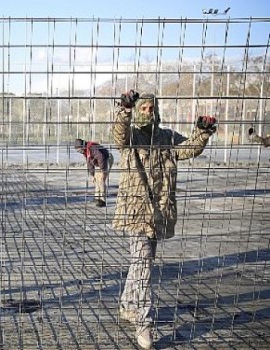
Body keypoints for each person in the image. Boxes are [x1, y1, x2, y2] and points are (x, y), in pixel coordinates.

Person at [112, 90, 217, 349]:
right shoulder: (133, 136)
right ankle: (144, 324)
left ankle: (127, 305)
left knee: (141, 263)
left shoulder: (167, 136)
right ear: (137, 111)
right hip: (136, 212)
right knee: (144, 264)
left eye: (151, 108)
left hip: (158, 212)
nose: (148, 112)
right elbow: (119, 135)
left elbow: (188, 149)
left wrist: (202, 132)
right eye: (144, 108)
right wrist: (124, 111)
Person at [74, 138, 114, 207]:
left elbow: (101, 157)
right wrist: (92, 175)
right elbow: (89, 163)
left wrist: (103, 171)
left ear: (82, 146)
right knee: (96, 179)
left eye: (79, 150)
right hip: (99, 162)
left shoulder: (92, 147)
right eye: (78, 151)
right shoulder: (85, 151)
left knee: (101, 180)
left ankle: (102, 200)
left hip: (106, 159)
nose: (79, 152)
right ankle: (97, 198)